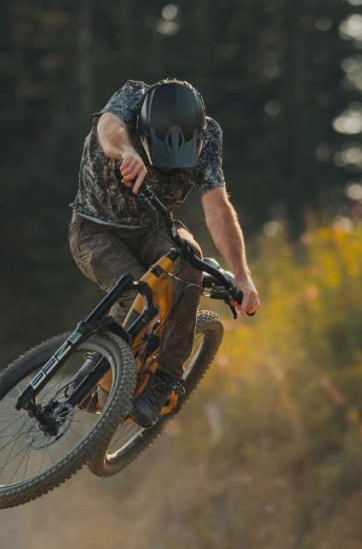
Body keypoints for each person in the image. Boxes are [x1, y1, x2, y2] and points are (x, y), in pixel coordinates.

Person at [68, 78, 261, 428]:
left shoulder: (208, 134)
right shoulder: (130, 101)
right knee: (137, 293)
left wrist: (242, 274)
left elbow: (217, 207)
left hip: (152, 229)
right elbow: (107, 128)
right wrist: (127, 152)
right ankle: (96, 376)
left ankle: (163, 381)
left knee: (190, 262)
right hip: (95, 229)